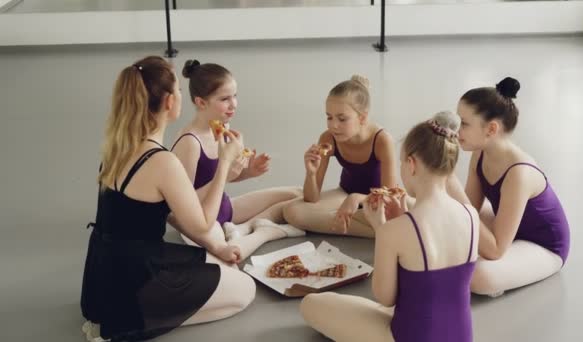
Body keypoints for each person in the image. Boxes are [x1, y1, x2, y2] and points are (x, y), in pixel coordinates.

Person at [80, 56, 255, 342]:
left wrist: (217, 248)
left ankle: (123, 317)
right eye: (179, 92)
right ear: (171, 103)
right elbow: (201, 224)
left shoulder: (118, 146)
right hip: (138, 279)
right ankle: (133, 324)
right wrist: (225, 163)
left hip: (103, 277)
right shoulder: (162, 162)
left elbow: (177, 216)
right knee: (245, 289)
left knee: (221, 262)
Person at [300, 114, 479, 342]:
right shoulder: (471, 214)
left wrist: (381, 228)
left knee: (312, 304)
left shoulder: (393, 231)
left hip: (406, 337)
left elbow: (386, 298)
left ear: (412, 165)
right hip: (461, 337)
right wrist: (401, 220)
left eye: (403, 162)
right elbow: (438, 283)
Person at [172, 60, 304, 261]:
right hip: (203, 224)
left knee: (296, 194)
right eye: (225, 98)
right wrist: (224, 175)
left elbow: (223, 176)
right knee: (230, 254)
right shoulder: (190, 142)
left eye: (235, 96)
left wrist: (249, 171)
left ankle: (243, 228)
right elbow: (182, 205)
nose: (233, 104)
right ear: (201, 102)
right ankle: (263, 232)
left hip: (224, 208)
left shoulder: (222, 130)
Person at [458, 77, 570, 297]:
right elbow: (469, 209)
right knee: (441, 218)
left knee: (477, 277)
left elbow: (496, 249)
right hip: (508, 225)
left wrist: (451, 188)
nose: (457, 129)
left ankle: (505, 272)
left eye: (464, 123)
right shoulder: (480, 153)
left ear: (491, 129)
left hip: (543, 245)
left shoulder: (519, 173)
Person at [283, 75, 399, 237]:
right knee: (292, 211)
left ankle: (354, 223)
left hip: (376, 204)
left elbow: (389, 197)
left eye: (342, 119)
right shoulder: (328, 138)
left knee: (391, 217)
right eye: (329, 117)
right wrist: (311, 173)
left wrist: (357, 199)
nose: (333, 125)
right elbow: (311, 199)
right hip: (344, 194)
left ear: (362, 118)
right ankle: (377, 231)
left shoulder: (382, 140)